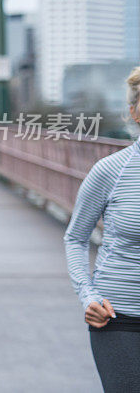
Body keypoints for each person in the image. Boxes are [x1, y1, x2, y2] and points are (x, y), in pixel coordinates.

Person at [64, 66, 140, 392]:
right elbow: (76, 237)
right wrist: (88, 296)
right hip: (118, 319)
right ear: (134, 111)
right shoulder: (111, 170)